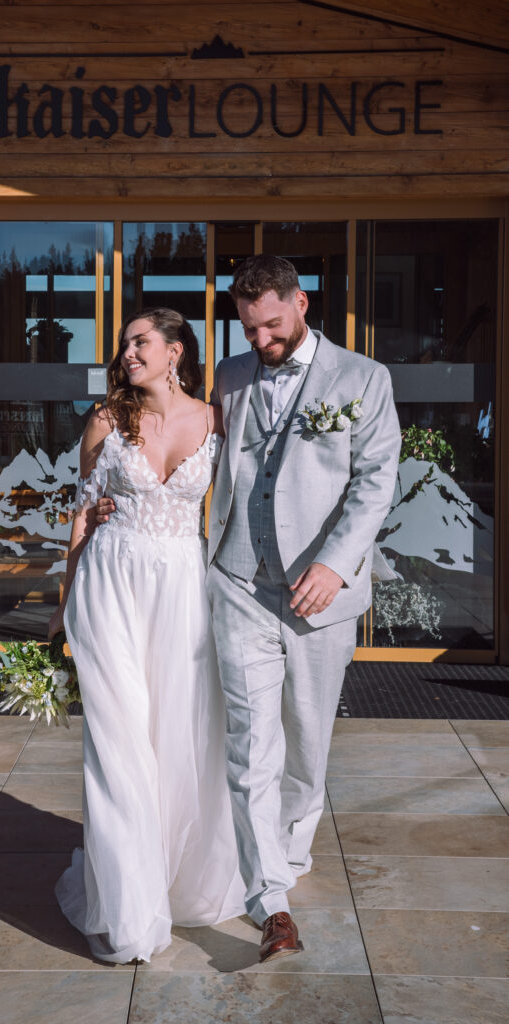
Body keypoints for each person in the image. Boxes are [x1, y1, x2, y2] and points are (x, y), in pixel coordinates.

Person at [205, 254, 401, 962]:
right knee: (250, 741)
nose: (261, 341)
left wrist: (334, 563)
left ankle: (289, 851)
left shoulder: (363, 378)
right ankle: (270, 899)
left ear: (302, 303)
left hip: (321, 593)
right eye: (249, 329)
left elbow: (376, 482)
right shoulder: (229, 376)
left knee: (308, 741)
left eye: (271, 325)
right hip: (238, 581)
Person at [48, 307, 246, 965]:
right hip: (110, 584)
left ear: (175, 350)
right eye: (124, 344)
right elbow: (82, 515)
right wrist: (64, 602)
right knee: (119, 740)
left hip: (183, 593)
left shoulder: (217, 420)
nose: (128, 353)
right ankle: (128, 909)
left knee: (180, 737)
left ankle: (176, 879)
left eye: (141, 342)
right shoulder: (106, 420)